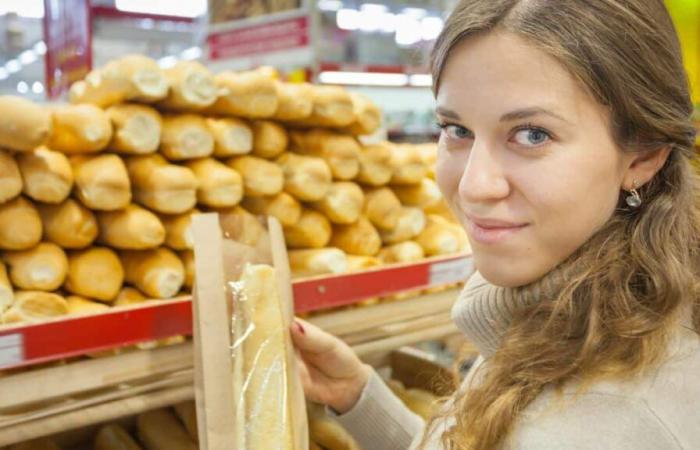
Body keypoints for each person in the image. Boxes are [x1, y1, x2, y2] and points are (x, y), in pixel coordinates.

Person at [290, 0, 700, 449]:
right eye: (456, 129)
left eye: (532, 135)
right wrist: (360, 400)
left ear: (642, 157)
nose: (473, 186)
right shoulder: (590, 321)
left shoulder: (601, 417)